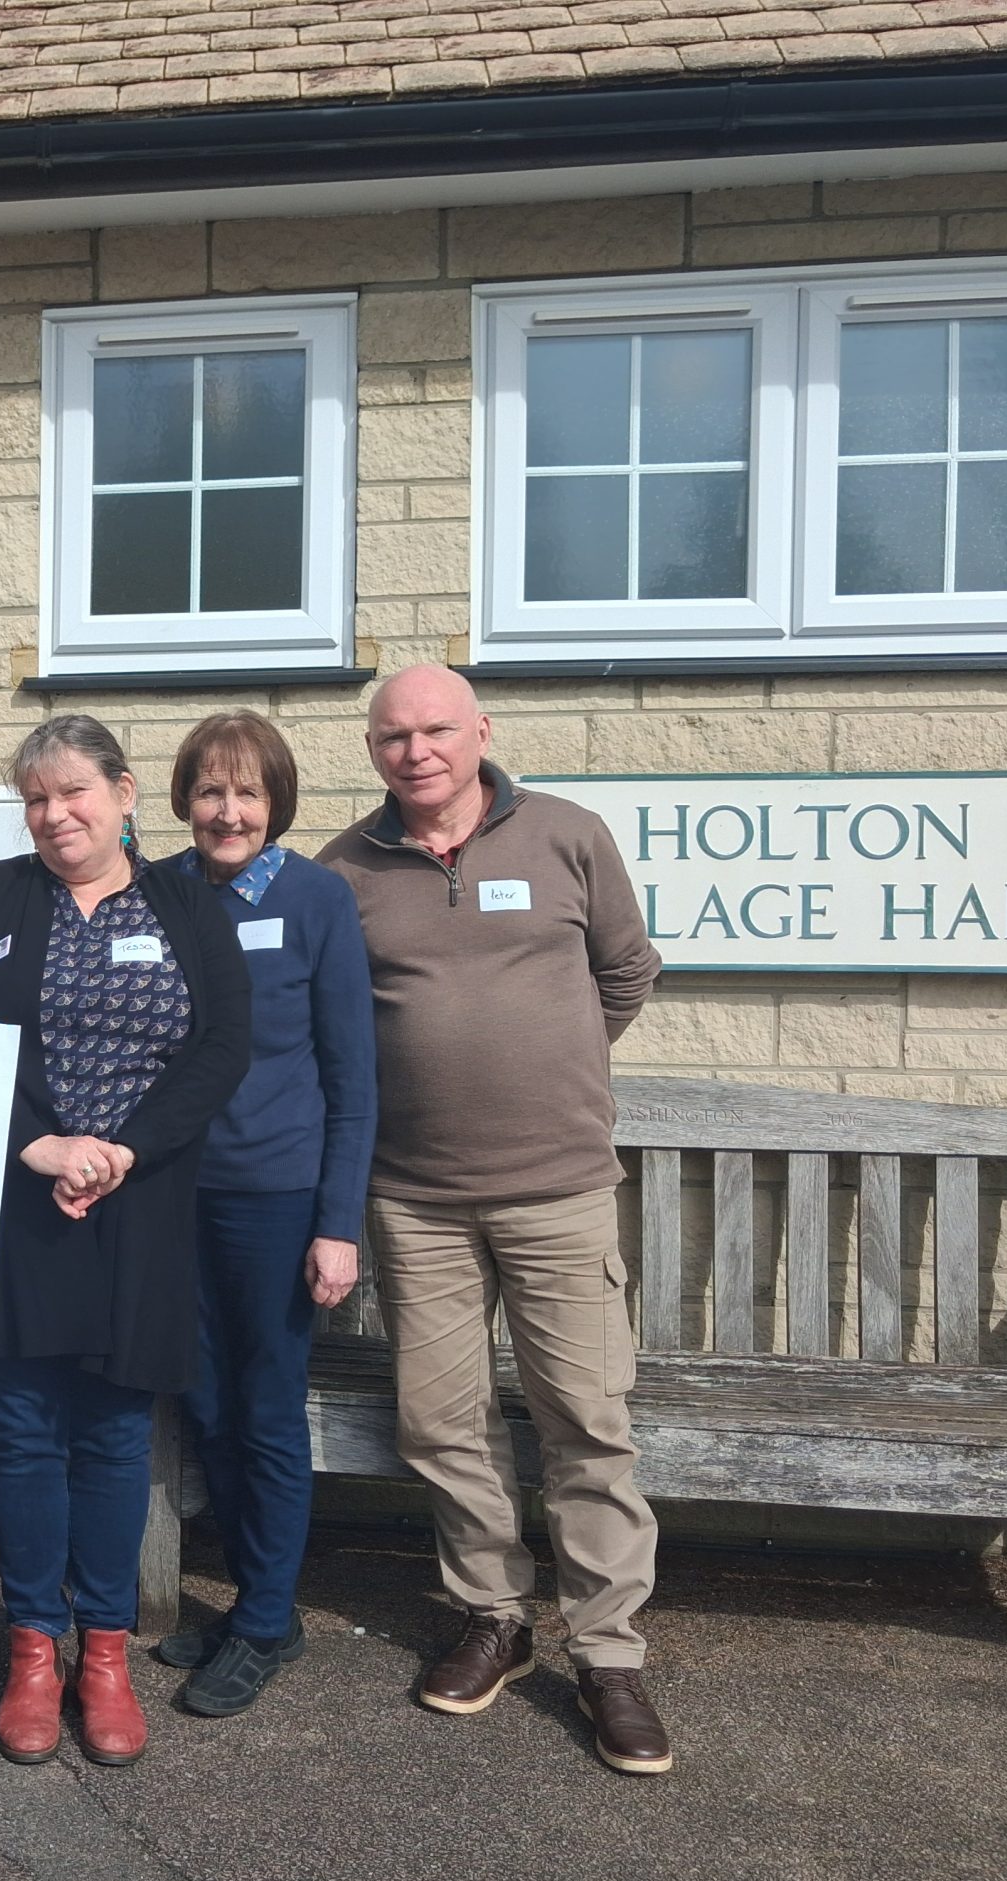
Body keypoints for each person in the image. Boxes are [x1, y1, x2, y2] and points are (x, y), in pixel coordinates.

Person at [317, 662, 671, 1775]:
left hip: (558, 1191)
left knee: (584, 1420)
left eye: (434, 731)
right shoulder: (345, 868)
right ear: (371, 750)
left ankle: (608, 1656)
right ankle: (495, 1617)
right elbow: (332, 1026)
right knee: (440, 1420)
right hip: (414, 1200)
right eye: (391, 738)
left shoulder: (567, 835)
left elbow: (624, 972)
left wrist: (547, 1070)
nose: (414, 752)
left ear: (480, 731)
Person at [0, 715, 250, 1768]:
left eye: (74, 793)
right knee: (18, 1429)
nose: (55, 815)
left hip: (140, 1207)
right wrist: (37, 1148)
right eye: (36, 798)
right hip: (18, 1203)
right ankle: (30, 1648)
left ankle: (101, 1654)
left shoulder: (187, 900)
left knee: (113, 1435)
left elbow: (221, 1047)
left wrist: (119, 1154)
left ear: (123, 792)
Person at [157, 711, 377, 1718]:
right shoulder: (156, 892)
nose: (227, 810)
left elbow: (351, 1075)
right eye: (209, 790)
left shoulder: (315, 899)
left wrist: (339, 1224)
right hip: (171, 1197)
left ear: (276, 801)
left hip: (277, 1199)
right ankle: (262, 1601)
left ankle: (263, 1617)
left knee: (265, 1409)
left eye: (246, 792)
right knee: (202, 1403)